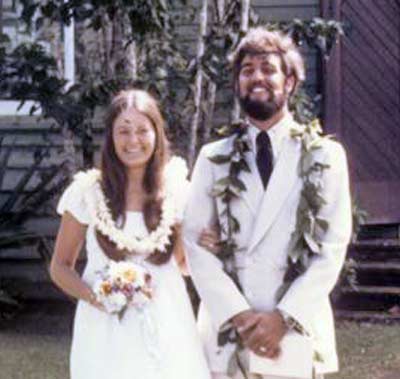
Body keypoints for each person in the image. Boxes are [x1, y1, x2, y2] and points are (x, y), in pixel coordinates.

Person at [183, 28, 352, 379]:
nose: (256, 77)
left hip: (295, 329)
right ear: (238, 84)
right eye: (247, 70)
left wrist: (282, 318)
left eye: (268, 68)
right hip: (229, 331)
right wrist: (241, 317)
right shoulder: (213, 158)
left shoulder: (325, 156)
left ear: (289, 81)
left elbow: (332, 247)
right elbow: (194, 245)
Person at [50, 89, 211, 379]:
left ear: (156, 134)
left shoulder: (178, 191)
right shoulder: (87, 192)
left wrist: (206, 242)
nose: (133, 140)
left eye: (142, 130)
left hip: (167, 318)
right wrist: (98, 297)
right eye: (123, 131)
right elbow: (60, 267)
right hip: (104, 325)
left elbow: (184, 265)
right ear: (111, 137)